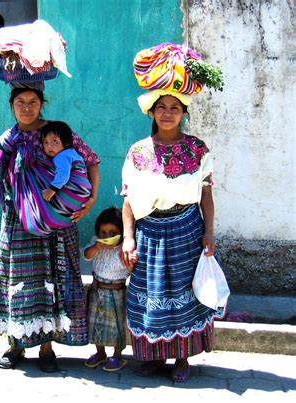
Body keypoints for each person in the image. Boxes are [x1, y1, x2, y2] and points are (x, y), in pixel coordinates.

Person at [0, 85, 100, 372]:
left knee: (53, 283)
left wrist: (91, 199)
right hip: (18, 225)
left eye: (33, 101)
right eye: (20, 102)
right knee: (19, 284)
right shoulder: (4, 143)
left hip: (56, 224)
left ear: (42, 103)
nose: (27, 107)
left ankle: (46, 348)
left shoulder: (57, 133)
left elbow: (91, 160)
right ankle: (16, 344)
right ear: (11, 105)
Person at [122, 43, 225, 382]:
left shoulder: (197, 149)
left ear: (183, 112)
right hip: (149, 232)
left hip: (186, 230)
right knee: (150, 294)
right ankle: (153, 355)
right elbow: (127, 200)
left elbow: (206, 197)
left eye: (174, 107)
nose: (167, 112)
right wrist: (128, 238)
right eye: (161, 107)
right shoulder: (138, 152)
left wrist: (209, 233)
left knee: (183, 294)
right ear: (151, 112)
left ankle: (182, 357)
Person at [83, 207, 131, 372]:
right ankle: (100, 352)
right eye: (103, 232)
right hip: (97, 291)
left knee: (116, 326)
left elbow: (132, 268)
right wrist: (96, 247)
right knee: (96, 323)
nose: (107, 237)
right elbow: (87, 255)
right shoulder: (96, 243)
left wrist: (130, 261)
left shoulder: (124, 249)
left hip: (116, 293)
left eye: (112, 233)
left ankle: (117, 355)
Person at [40, 120, 91, 203]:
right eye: (46, 142)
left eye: (55, 141)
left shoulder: (61, 156)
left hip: (76, 191)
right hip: (85, 191)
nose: (50, 146)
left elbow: (63, 174)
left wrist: (51, 190)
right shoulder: (72, 153)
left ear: (66, 142)